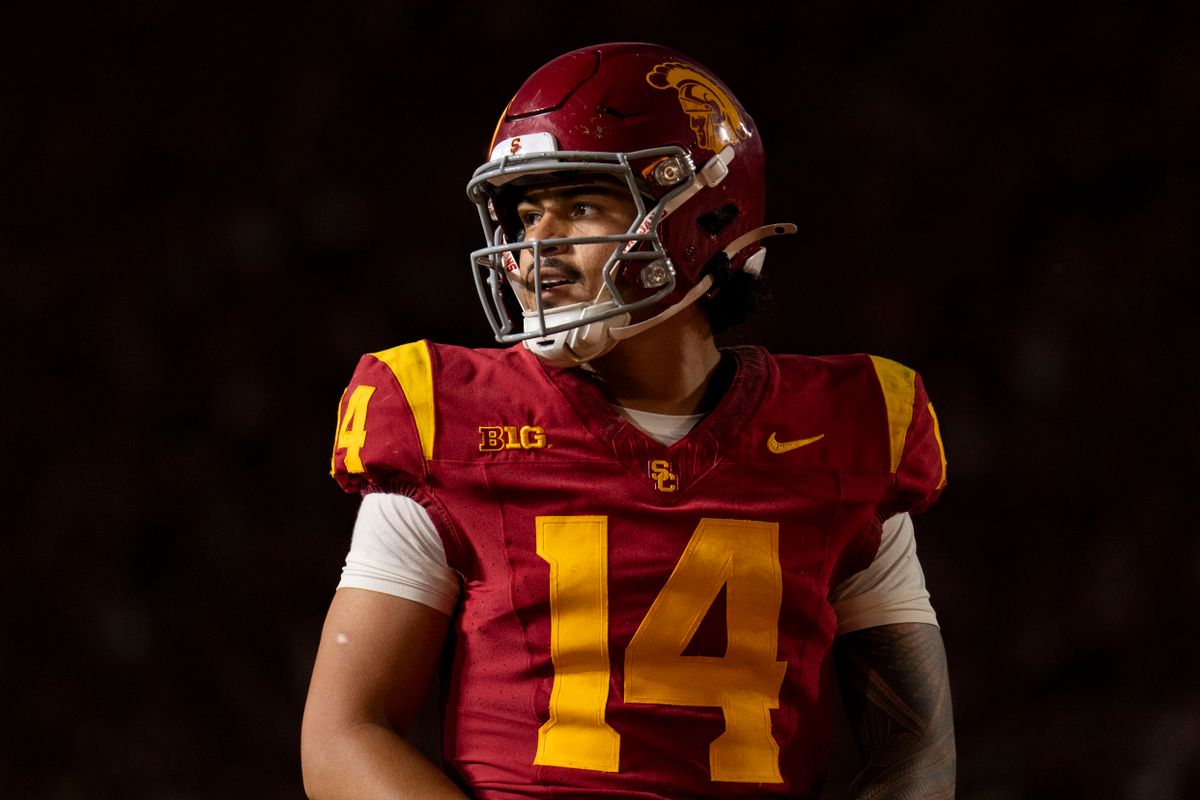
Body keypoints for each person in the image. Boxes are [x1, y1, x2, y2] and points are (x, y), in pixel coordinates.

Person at [301, 42, 955, 800]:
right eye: (523, 213)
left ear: (706, 216)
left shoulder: (846, 431)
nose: (531, 246)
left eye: (579, 205)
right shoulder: (443, 416)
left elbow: (916, 749)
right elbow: (345, 735)